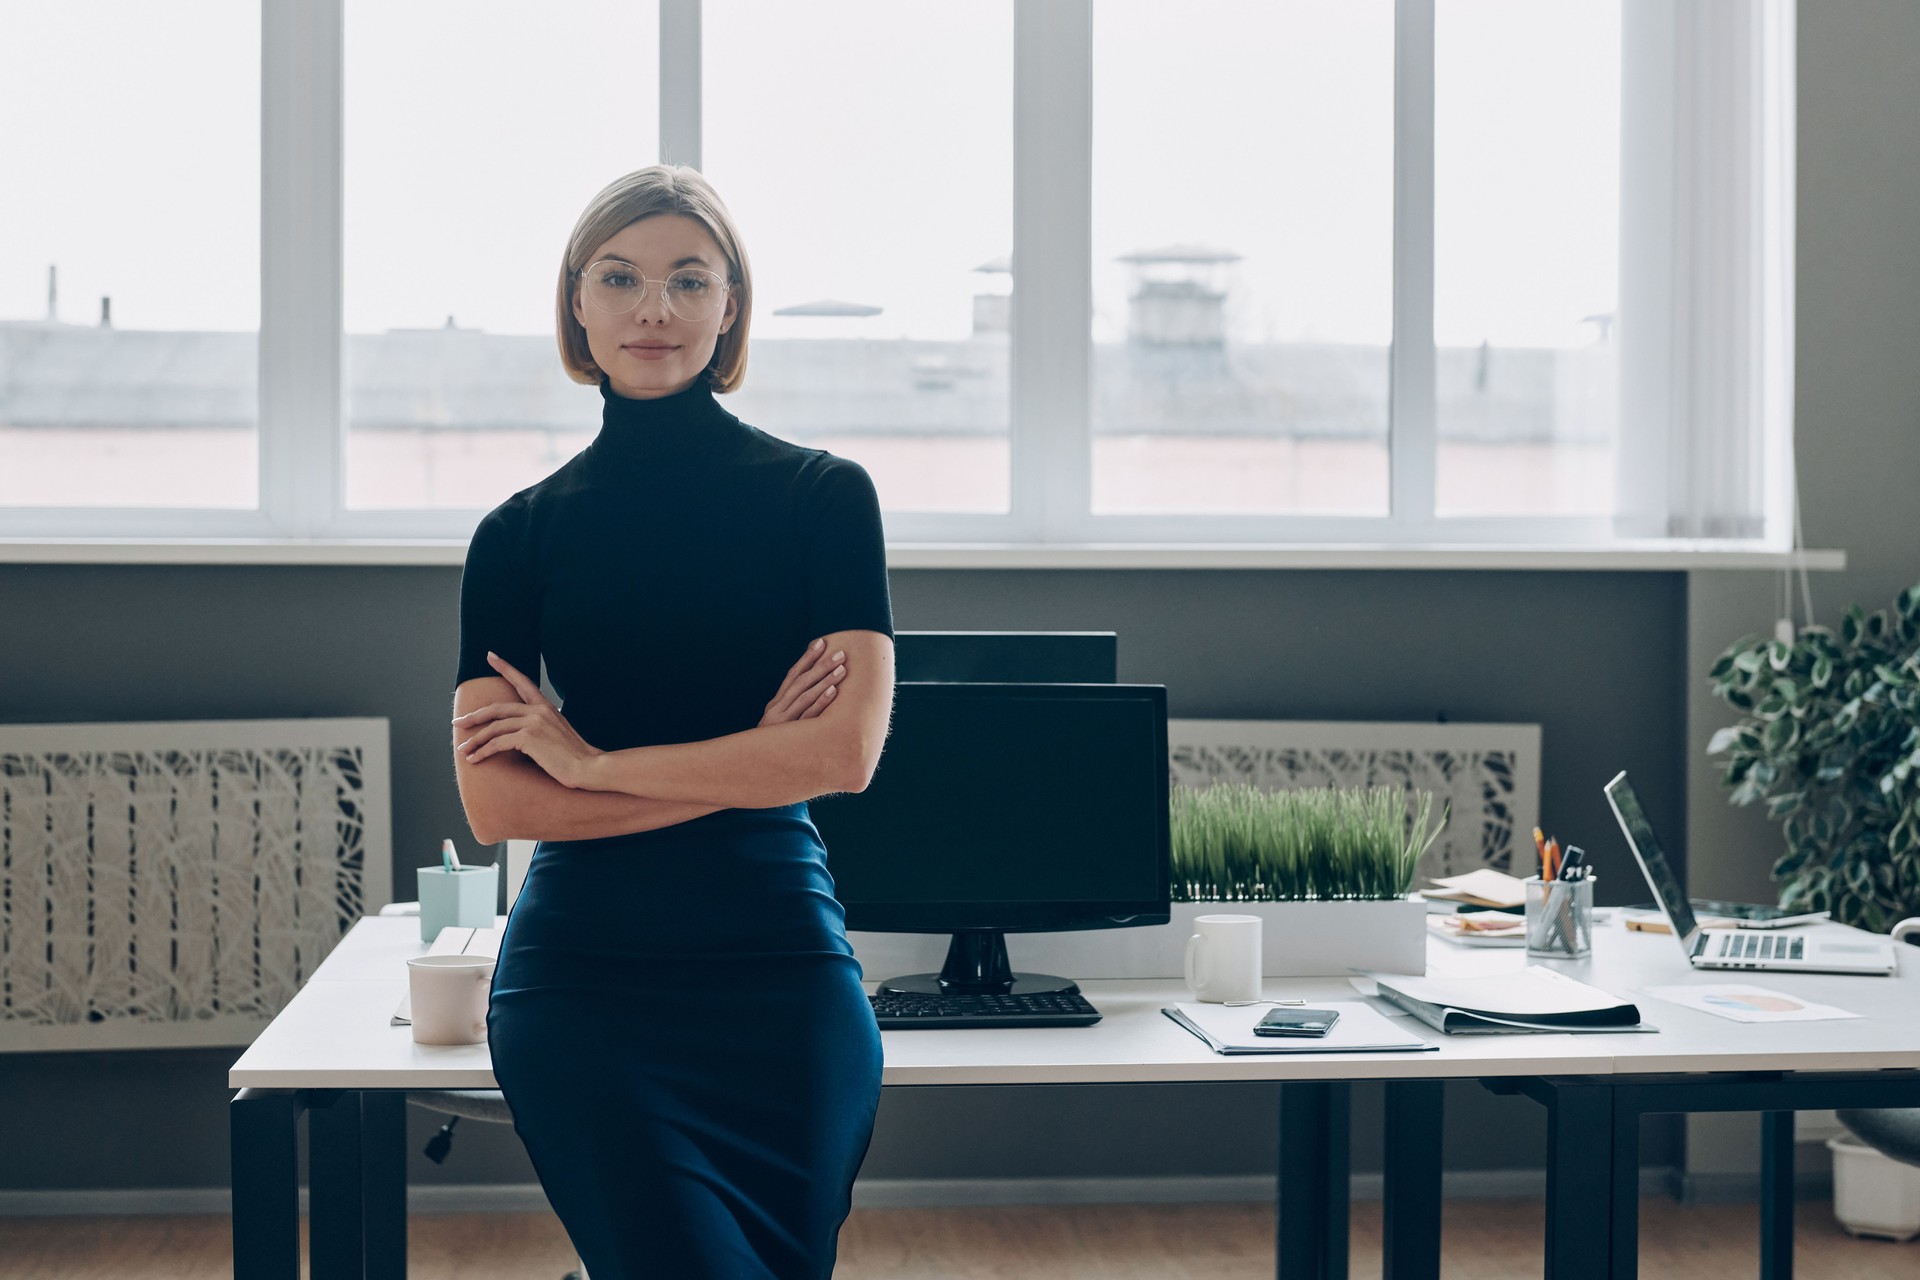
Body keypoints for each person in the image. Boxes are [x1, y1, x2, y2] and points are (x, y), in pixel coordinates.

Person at [448, 164, 895, 1279]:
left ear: (730, 304)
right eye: (622, 277)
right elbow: (501, 802)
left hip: (780, 970)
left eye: (689, 279)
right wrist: (753, 760)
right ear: (578, 302)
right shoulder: (517, 536)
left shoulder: (825, 499)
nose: (655, 308)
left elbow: (843, 754)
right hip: (586, 977)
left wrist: (595, 765)